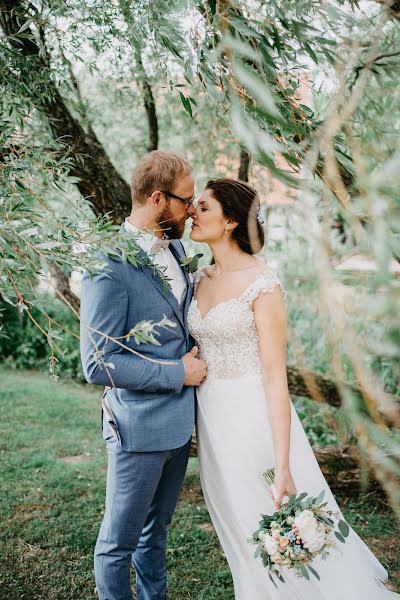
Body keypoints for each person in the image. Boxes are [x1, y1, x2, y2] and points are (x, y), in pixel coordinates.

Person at [188, 177, 399, 599]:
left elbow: (273, 375)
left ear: (230, 221)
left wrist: (283, 464)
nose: (192, 211)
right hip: (213, 421)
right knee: (238, 520)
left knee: (279, 524)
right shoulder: (197, 278)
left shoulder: (263, 284)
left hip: (255, 420)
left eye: (203, 206)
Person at [80, 150, 207, 600]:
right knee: (118, 543)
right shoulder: (108, 264)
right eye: (186, 200)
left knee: (157, 535)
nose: (192, 209)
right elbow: (97, 362)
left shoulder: (175, 248)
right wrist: (178, 373)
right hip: (136, 429)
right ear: (158, 199)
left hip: (177, 430)